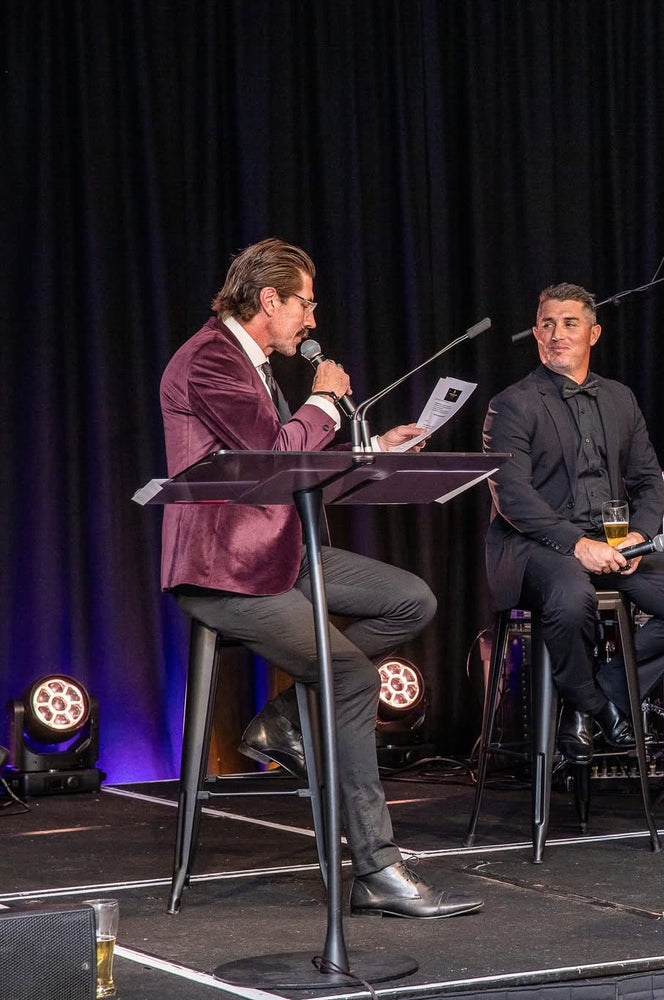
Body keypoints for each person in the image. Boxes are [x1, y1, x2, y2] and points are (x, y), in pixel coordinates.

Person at [160, 238, 480, 918]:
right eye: (304, 304)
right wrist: (328, 401)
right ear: (268, 299)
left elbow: (293, 473)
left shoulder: (251, 364)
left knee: (410, 600)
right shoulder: (211, 360)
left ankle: (284, 720)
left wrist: (374, 450)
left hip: (282, 555)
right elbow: (275, 456)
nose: (311, 319)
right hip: (225, 571)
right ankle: (377, 870)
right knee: (353, 677)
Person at [483, 283, 664, 763]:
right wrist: (577, 545)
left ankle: (599, 696)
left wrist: (638, 535)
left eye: (569, 324)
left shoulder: (619, 398)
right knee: (572, 598)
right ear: (536, 333)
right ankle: (589, 706)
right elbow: (514, 498)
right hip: (537, 544)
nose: (557, 334)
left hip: (613, 541)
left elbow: (649, 481)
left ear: (594, 334)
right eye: (547, 324)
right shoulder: (512, 404)